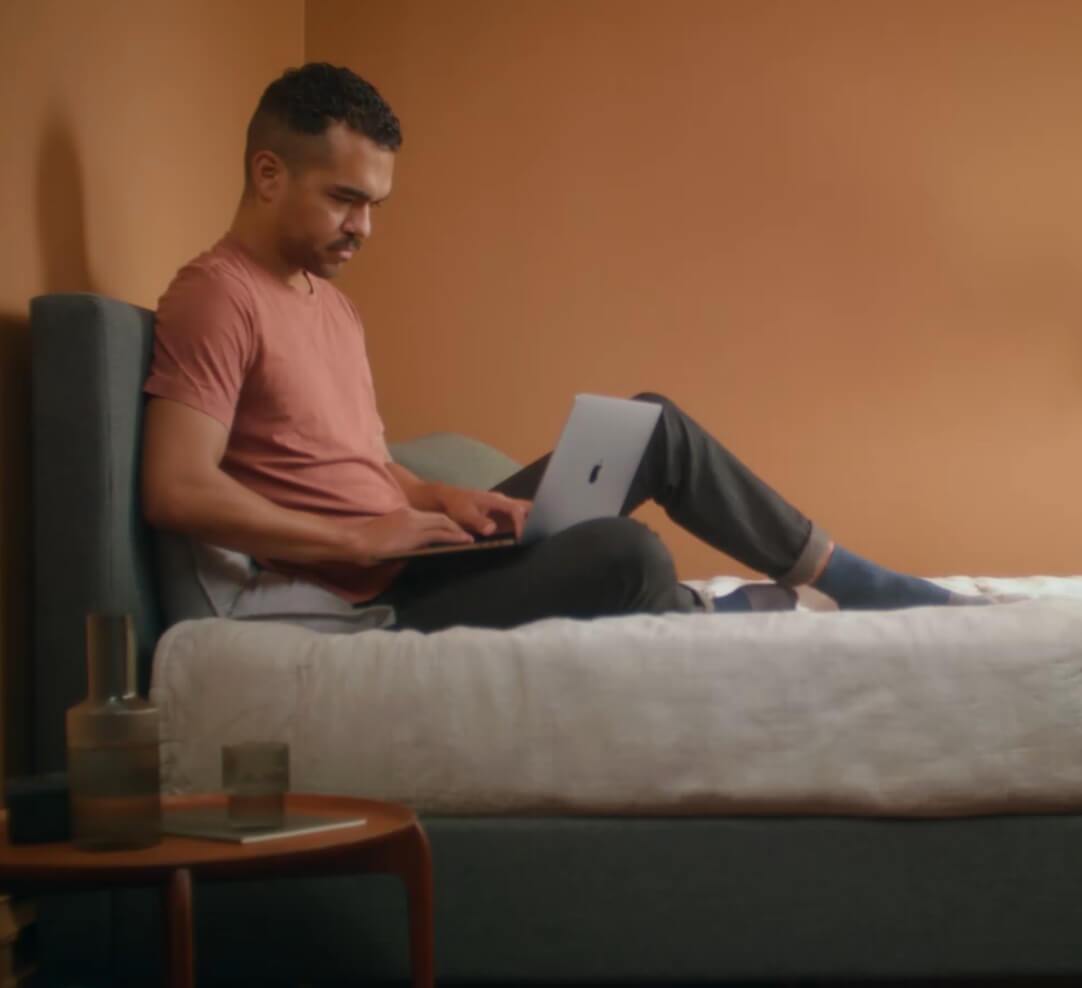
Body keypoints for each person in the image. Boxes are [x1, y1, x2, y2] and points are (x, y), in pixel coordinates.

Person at [141, 62, 986, 634]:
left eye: (376, 205)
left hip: (419, 544)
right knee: (626, 552)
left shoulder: (330, 306)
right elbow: (176, 489)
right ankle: (691, 611)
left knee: (649, 424)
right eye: (345, 200)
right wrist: (360, 543)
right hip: (384, 590)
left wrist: (443, 497)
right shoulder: (217, 296)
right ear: (267, 173)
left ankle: (850, 578)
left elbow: (358, 461)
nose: (364, 227)